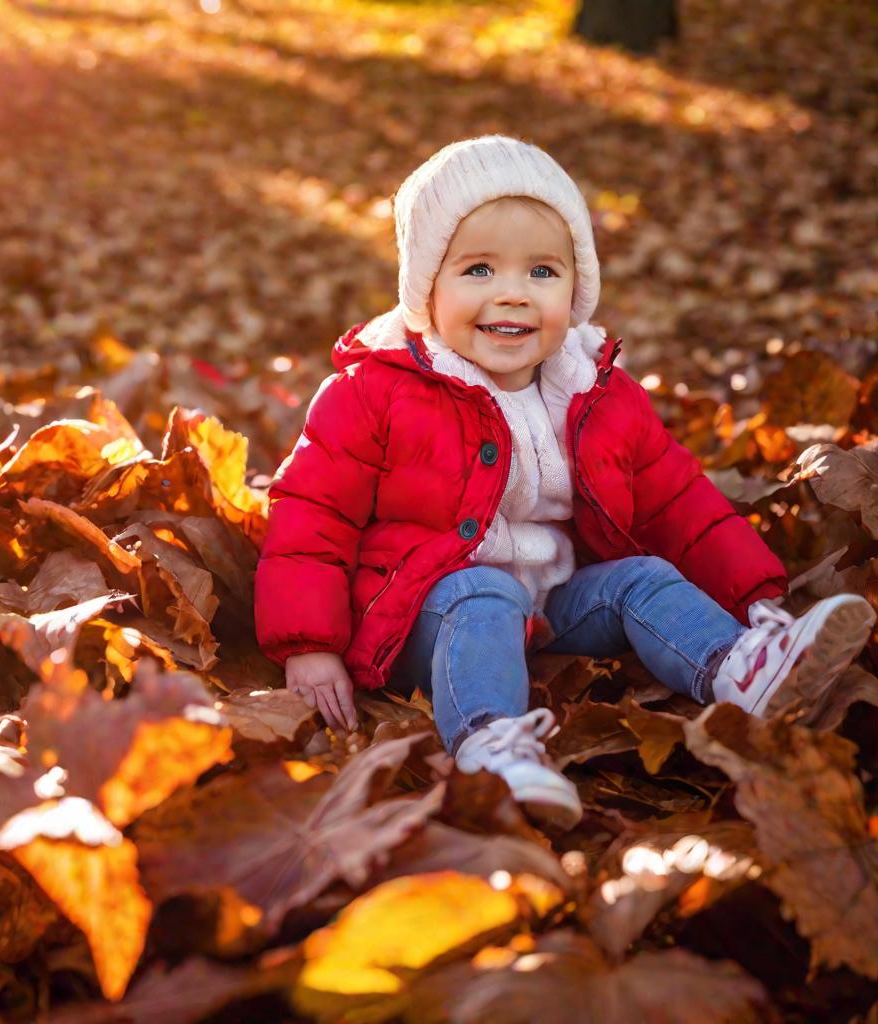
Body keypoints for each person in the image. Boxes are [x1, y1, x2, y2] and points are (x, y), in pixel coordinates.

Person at [253, 135, 875, 829]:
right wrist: (307, 644)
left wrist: (757, 595)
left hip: (551, 604)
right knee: (482, 589)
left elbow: (681, 502)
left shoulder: (596, 392)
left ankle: (742, 668)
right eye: (479, 269)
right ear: (426, 288)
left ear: (576, 290)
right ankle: (493, 745)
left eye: (542, 272)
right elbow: (312, 514)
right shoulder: (375, 392)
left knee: (640, 576)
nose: (512, 294)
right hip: (423, 615)